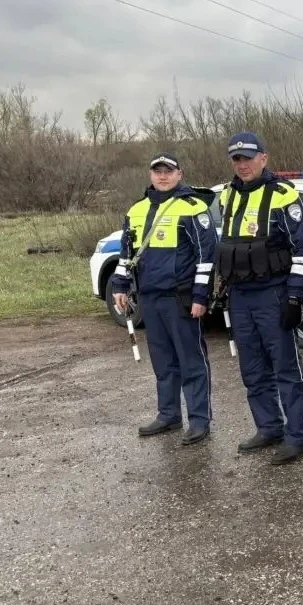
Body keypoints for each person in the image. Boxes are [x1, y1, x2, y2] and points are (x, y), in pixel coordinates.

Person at [216, 132, 303, 464]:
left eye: (247, 158)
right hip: (240, 296)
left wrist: (295, 298)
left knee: (286, 369)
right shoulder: (227, 195)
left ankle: (297, 436)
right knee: (253, 369)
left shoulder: (283, 195)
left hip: (273, 293)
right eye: (236, 159)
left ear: (263, 158)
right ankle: (269, 426)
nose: (242, 165)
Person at [111, 152, 217, 445]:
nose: (162, 176)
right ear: (150, 175)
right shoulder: (136, 210)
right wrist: (120, 286)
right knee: (163, 361)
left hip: (180, 298)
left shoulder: (193, 208)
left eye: (168, 171)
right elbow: (126, 254)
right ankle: (169, 415)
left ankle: (199, 420)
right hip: (149, 297)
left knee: (191, 361)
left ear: (179, 174)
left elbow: (206, 257)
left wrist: (201, 296)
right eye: (157, 171)